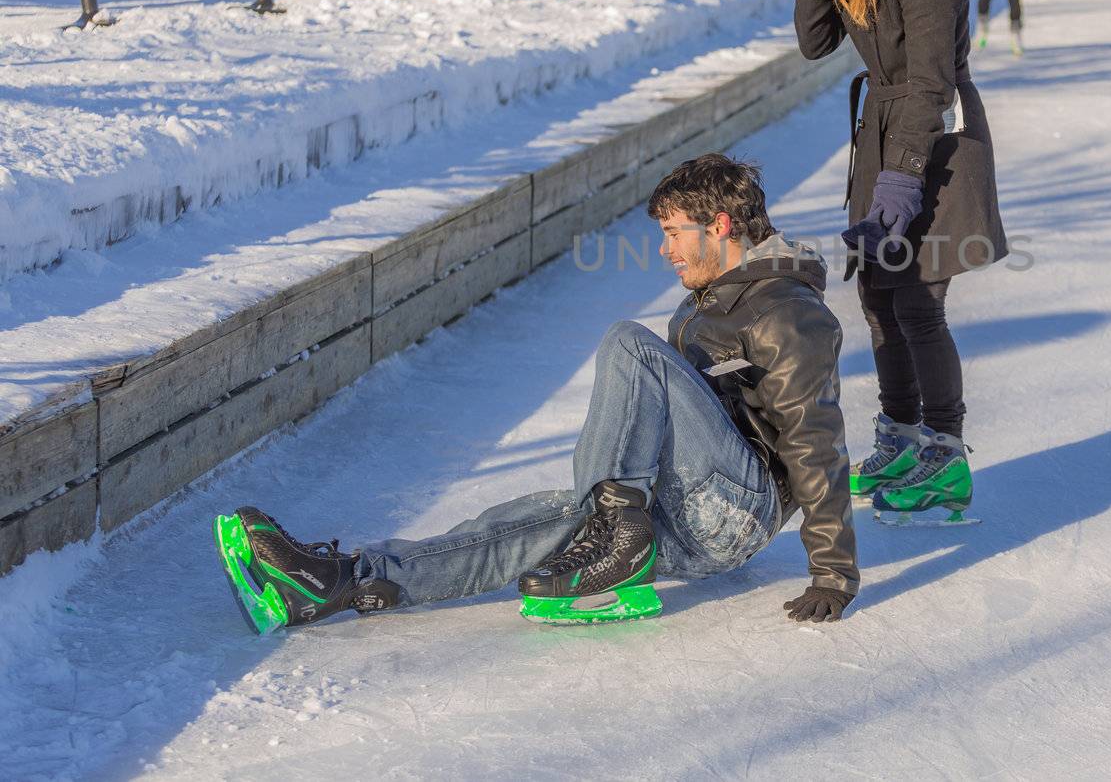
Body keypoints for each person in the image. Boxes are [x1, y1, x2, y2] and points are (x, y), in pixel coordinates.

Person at [214, 154, 862, 631]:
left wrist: (833, 571)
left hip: (737, 507)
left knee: (630, 345)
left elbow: (816, 440)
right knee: (523, 525)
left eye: (673, 231)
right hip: (688, 505)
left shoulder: (785, 310)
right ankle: (337, 582)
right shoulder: (719, 301)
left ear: (719, 224)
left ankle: (613, 532)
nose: (666, 250)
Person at [792, 0, 1007, 526]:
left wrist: (902, 180)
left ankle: (944, 453)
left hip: (932, 136)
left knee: (918, 302)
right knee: (880, 301)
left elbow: (930, 83)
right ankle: (901, 435)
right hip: (884, 133)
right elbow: (814, 42)